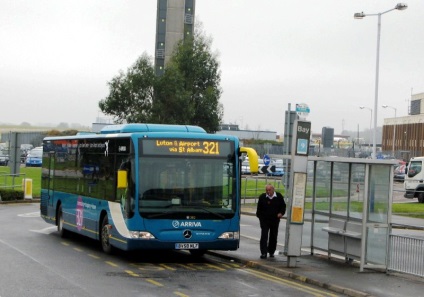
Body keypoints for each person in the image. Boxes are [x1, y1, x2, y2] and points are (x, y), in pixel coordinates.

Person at [256, 184, 286, 259]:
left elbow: (283, 206)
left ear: (273, 190)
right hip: (265, 220)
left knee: (273, 236)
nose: (268, 192)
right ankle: (263, 252)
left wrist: (281, 213)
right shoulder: (262, 197)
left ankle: (271, 251)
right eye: (267, 190)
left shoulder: (278, 196)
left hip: (275, 220)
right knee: (264, 236)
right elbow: (258, 210)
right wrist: (261, 218)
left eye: (269, 190)